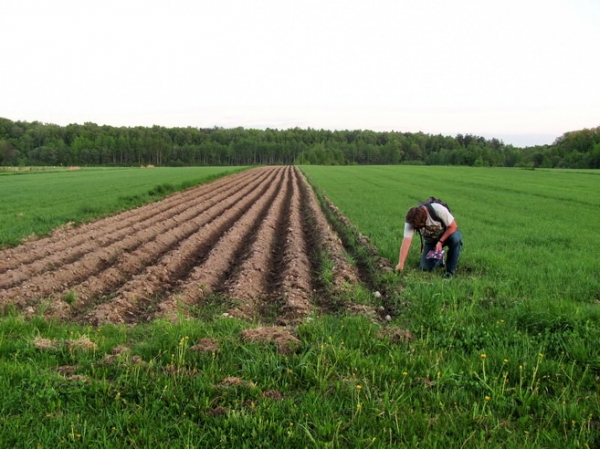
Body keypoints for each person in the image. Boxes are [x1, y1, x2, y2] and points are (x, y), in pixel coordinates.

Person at [395, 202, 463, 278]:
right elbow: (406, 241)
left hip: (448, 234)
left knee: (456, 239)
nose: (417, 228)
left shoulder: (438, 210)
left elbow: (453, 227)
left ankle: (449, 272)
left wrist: (440, 242)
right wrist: (401, 263)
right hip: (432, 241)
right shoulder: (411, 220)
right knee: (425, 267)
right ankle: (439, 258)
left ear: (424, 220)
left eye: (419, 226)